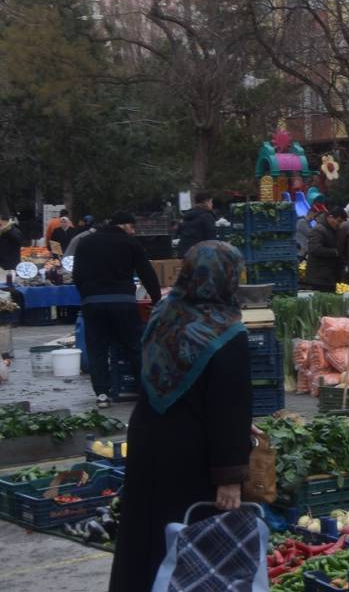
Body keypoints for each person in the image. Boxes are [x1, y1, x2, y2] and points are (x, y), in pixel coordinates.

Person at [108, 242, 251, 592]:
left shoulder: (164, 312)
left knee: (144, 532)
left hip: (149, 437)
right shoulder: (227, 332)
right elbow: (229, 407)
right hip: (193, 453)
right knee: (192, 539)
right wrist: (230, 476)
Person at [73, 212, 162, 408]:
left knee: (97, 348)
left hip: (93, 301)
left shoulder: (86, 242)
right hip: (123, 301)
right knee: (134, 346)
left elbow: (77, 274)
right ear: (124, 226)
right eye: (132, 227)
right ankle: (145, 392)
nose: (133, 231)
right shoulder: (130, 244)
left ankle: (102, 394)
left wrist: (87, 295)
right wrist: (156, 299)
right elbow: (146, 272)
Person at [305, 207, 346, 292]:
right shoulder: (318, 230)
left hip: (330, 276)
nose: (339, 224)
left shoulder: (333, 229)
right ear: (330, 217)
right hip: (319, 277)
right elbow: (315, 249)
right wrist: (335, 252)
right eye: (338, 221)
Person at [177, 192, 218, 257]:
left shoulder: (186, 216)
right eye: (211, 202)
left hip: (183, 252)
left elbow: (179, 231)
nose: (212, 204)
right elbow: (211, 238)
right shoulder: (206, 216)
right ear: (206, 202)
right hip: (199, 255)